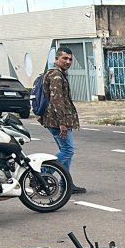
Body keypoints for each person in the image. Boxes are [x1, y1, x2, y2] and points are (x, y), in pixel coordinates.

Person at [40, 47, 85, 194]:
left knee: (65, 151)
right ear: (56, 59)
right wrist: (62, 123)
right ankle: (41, 175)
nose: (68, 61)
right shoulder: (56, 76)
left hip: (56, 120)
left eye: (70, 59)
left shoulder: (57, 74)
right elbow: (57, 100)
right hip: (57, 121)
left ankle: (66, 183)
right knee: (68, 150)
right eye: (64, 58)